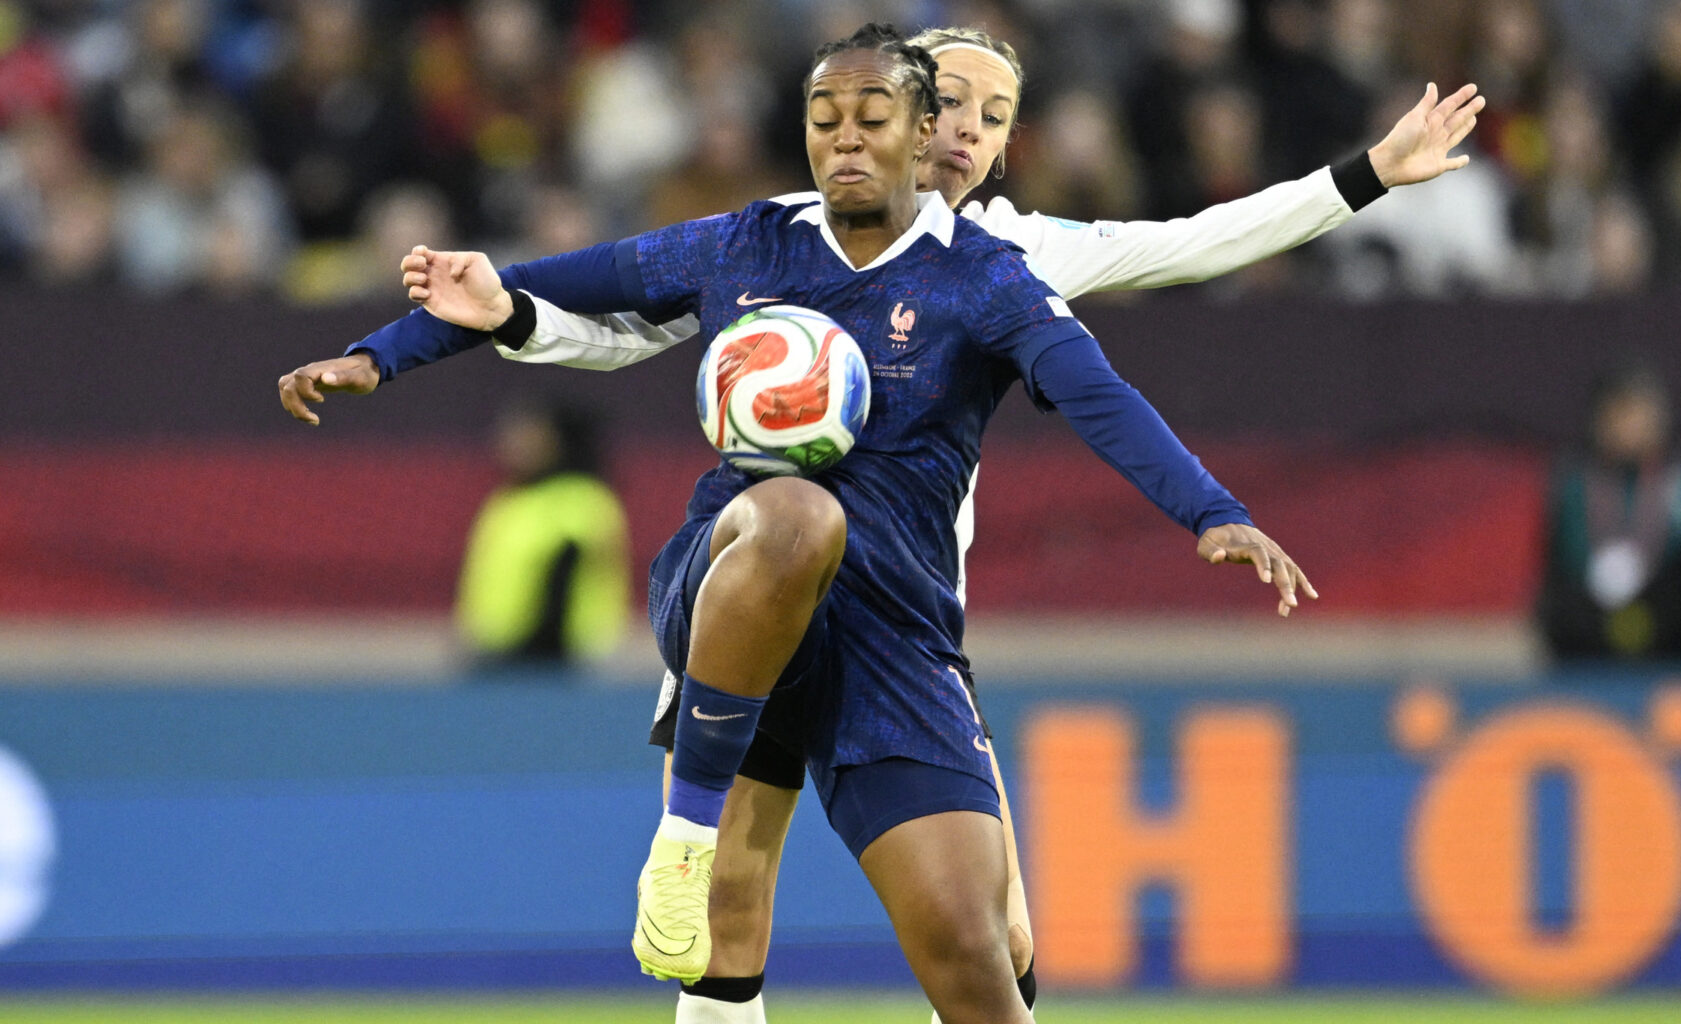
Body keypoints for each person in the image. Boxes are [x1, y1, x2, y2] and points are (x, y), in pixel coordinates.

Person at [276, 24, 1481, 1024]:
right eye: (938, 97)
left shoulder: (1009, 264)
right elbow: (571, 302)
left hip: (904, 620)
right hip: (753, 578)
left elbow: (1167, 292)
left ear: (1000, 145)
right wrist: (396, 350)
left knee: (990, 948)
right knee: (734, 854)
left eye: (982, 114)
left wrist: (1215, 503)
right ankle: (683, 843)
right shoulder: (755, 241)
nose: (954, 126)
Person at [1537, 362, 1681, 663]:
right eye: (1618, 413)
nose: (1629, 425)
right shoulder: (1576, 478)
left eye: (1638, 412)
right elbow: (1561, 567)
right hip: (1588, 640)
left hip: (1674, 641)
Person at [456, 399, 629, 672]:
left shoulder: (578, 497)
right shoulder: (512, 498)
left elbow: (564, 579)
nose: (513, 444)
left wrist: (537, 652)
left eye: (529, 435)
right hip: (497, 656)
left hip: (550, 664)